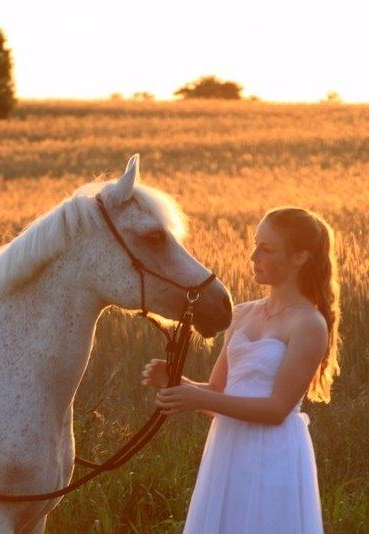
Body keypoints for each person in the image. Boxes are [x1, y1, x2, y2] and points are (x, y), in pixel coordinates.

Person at [142, 206, 341, 533]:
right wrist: (178, 383)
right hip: (227, 451)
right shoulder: (242, 314)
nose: (253, 256)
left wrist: (192, 396)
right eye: (254, 244)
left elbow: (277, 409)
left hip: (274, 454)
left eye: (266, 248)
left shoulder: (308, 324)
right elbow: (218, 393)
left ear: (300, 258)